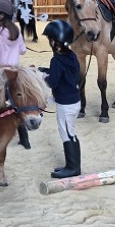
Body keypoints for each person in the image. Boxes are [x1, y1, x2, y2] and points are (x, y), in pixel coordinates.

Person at [0, 0, 31, 149]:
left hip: (2, 73)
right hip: (16, 73)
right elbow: (23, 50)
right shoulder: (16, 30)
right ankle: (24, 138)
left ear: (1, 15)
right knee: (15, 104)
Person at [42, 20, 82, 179]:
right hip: (74, 100)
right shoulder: (71, 56)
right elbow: (67, 73)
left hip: (66, 104)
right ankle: (71, 165)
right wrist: (48, 70)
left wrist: (44, 76)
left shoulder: (56, 60)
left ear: (54, 41)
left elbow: (53, 82)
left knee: (67, 133)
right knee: (70, 132)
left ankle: (73, 167)